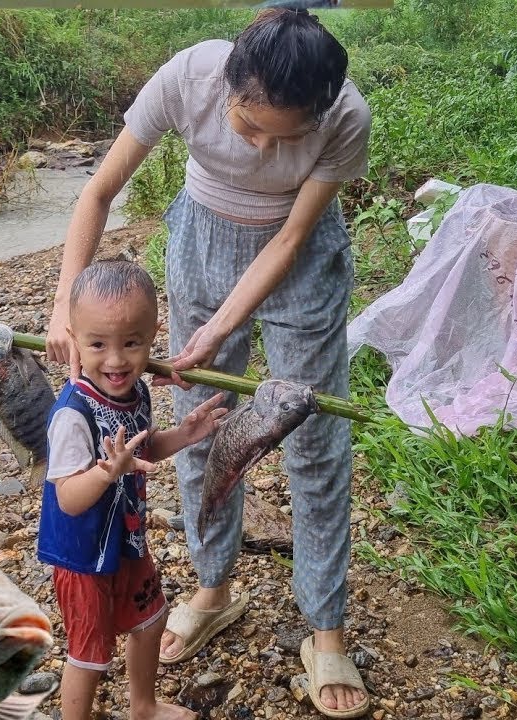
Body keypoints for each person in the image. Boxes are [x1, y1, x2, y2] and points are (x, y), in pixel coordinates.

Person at [43, 8, 373, 719]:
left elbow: (288, 241)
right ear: (228, 80)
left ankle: (327, 630)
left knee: (312, 440)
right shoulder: (190, 76)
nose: (254, 145)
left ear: (317, 115)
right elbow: (98, 193)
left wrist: (218, 329)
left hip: (299, 262)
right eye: (244, 122)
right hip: (201, 243)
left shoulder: (346, 117)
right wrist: (66, 309)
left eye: (275, 136)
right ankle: (214, 588)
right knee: (201, 429)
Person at [36, 259, 229, 720]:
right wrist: (107, 472)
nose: (117, 360)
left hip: (127, 540)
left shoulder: (136, 391)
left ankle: (142, 705)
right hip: (82, 555)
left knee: (151, 618)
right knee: (90, 650)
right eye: (98, 344)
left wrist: (184, 436)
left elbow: (145, 449)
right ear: (75, 339)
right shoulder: (72, 415)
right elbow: (68, 498)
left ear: (153, 334)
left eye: (132, 343)